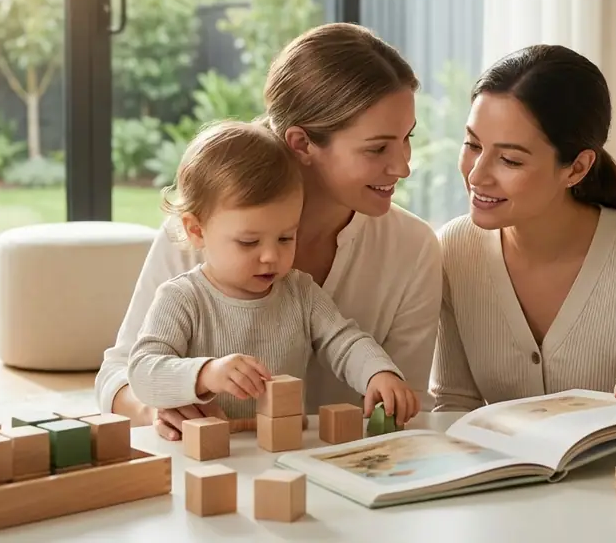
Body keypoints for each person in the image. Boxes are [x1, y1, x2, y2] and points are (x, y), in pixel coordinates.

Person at [97, 23, 442, 440]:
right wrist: (157, 411)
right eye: (377, 148)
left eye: (407, 139)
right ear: (301, 143)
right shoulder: (204, 230)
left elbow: (405, 405)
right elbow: (119, 374)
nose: (403, 166)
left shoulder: (413, 248)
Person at [428, 44, 616, 413]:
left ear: (576, 168)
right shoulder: (454, 250)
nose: (476, 174)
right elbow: (453, 405)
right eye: (472, 144)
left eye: (509, 159)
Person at [126, 121, 420, 426]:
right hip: (207, 455)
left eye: (285, 238)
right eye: (249, 242)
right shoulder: (182, 297)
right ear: (196, 230)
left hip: (283, 449)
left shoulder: (300, 292)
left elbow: (345, 341)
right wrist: (206, 374)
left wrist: (378, 372)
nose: (271, 256)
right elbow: (143, 371)